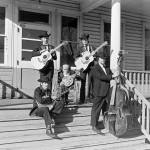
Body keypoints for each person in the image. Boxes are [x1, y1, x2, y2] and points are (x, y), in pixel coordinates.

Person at [90, 52, 119, 134]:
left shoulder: (106, 68)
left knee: (105, 110)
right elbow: (101, 77)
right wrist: (112, 76)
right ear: (98, 59)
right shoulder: (95, 68)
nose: (104, 60)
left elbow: (111, 75)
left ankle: (106, 124)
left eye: (105, 58)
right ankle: (94, 126)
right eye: (103, 58)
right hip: (98, 92)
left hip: (106, 92)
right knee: (96, 110)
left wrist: (117, 72)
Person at [73, 34, 96, 104]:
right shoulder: (79, 49)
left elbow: (96, 57)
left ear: (88, 40)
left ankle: (91, 98)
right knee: (83, 82)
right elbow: (74, 56)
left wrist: (94, 54)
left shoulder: (92, 48)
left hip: (91, 67)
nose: (84, 41)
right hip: (83, 66)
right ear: (82, 41)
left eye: (85, 40)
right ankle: (82, 99)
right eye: (83, 40)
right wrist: (81, 55)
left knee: (91, 82)